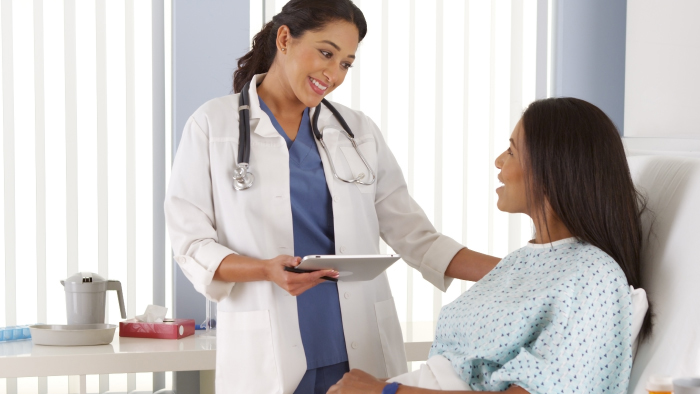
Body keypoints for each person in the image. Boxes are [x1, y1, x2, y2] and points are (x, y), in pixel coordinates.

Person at [164, 0, 496, 392]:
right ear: (284, 38)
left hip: (357, 353)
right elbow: (191, 243)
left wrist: (524, 272)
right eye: (326, 53)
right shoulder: (213, 125)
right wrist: (264, 269)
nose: (333, 74)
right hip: (268, 352)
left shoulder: (358, 131)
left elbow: (416, 238)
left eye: (346, 64)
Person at [328, 98, 654, 394]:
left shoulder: (593, 277)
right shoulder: (524, 260)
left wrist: (384, 392)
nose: (499, 161)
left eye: (511, 151)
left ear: (552, 167)